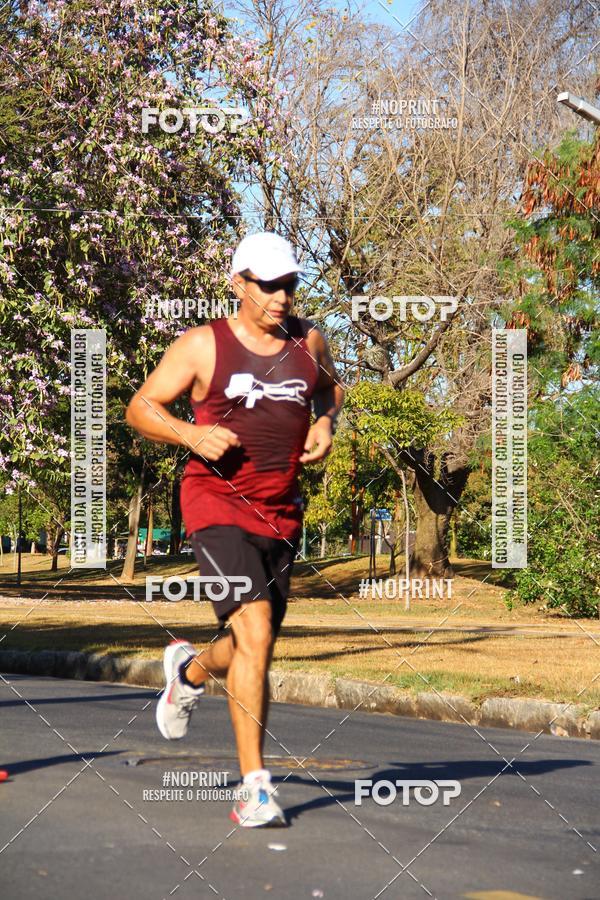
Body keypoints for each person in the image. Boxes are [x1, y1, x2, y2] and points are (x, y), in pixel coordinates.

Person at [125, 232, 344, 827]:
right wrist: (192, 434)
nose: (281, 297)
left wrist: (325, 424)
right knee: (257, 629)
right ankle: (255, 789)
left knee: (254, 640)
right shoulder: (202, 346)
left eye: (290, 285)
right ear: (238, 283)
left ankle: (189, 671)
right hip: (215, 503)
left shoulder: (309, 341)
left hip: (282, 512)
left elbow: (329, 390)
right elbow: (141, 407)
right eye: (268, 285)